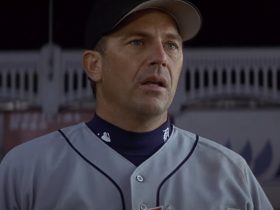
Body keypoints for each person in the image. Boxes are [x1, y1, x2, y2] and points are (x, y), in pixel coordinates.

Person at [0, 0, 273, 209]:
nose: (160, 57)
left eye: (171, 45)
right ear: (94, 65)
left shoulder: (231, 174)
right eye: (137, 42)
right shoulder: (25, 170)